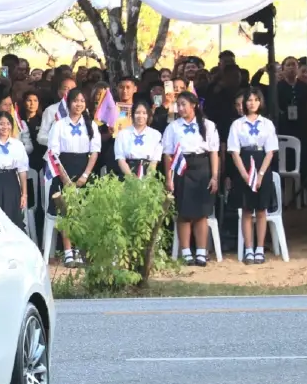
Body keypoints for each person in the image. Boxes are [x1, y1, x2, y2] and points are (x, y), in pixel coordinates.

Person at [163, 91, 220, 267]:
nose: (180, 108)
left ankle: (202, 252)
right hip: (182, 167)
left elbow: (214, 153)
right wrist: (169, 178)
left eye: (183, 104)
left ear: (193, 104)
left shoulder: (208, 125)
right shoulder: (173, 127)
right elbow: (168, 154)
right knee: (184, 212)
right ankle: (186, 252)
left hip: (202, 167)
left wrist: (214, 177)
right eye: (178, 105)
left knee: (201, 213)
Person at [46, 87, 100, 268]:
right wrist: (66, 179)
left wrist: (85, 175)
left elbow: (94, 152)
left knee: (84, 211)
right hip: (63, 169)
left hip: (84, 170)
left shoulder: (91, 125)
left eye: (82, 101)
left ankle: (80, 250)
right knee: (65, 211)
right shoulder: (59, 125)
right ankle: (68, 251)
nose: (79, 104)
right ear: (68, 103)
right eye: (75, 101)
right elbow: (53, 154)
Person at [226, 87, 277, 264]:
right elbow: (234, 152)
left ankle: (260, 249)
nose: (252, 103)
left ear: (260, 102)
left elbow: (270, 151)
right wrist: (245, 176)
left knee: (262, 210)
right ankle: (249, 249)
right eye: (249, 100)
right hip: (244, 163)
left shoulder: (267, 124)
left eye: (256, 99)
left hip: (262, 162)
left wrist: (261, 174)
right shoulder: (237, 124)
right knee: (247, 210)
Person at [113, 101, 163, 178]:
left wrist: (146, 180)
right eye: (137, 112)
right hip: (127, 175)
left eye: (144, 113)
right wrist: (132, 179)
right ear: (132, 115)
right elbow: (121, 160)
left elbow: (154, 162)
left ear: (148, 115)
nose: (141, 116)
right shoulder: (122, 134)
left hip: (148, 176)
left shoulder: (156, 135)